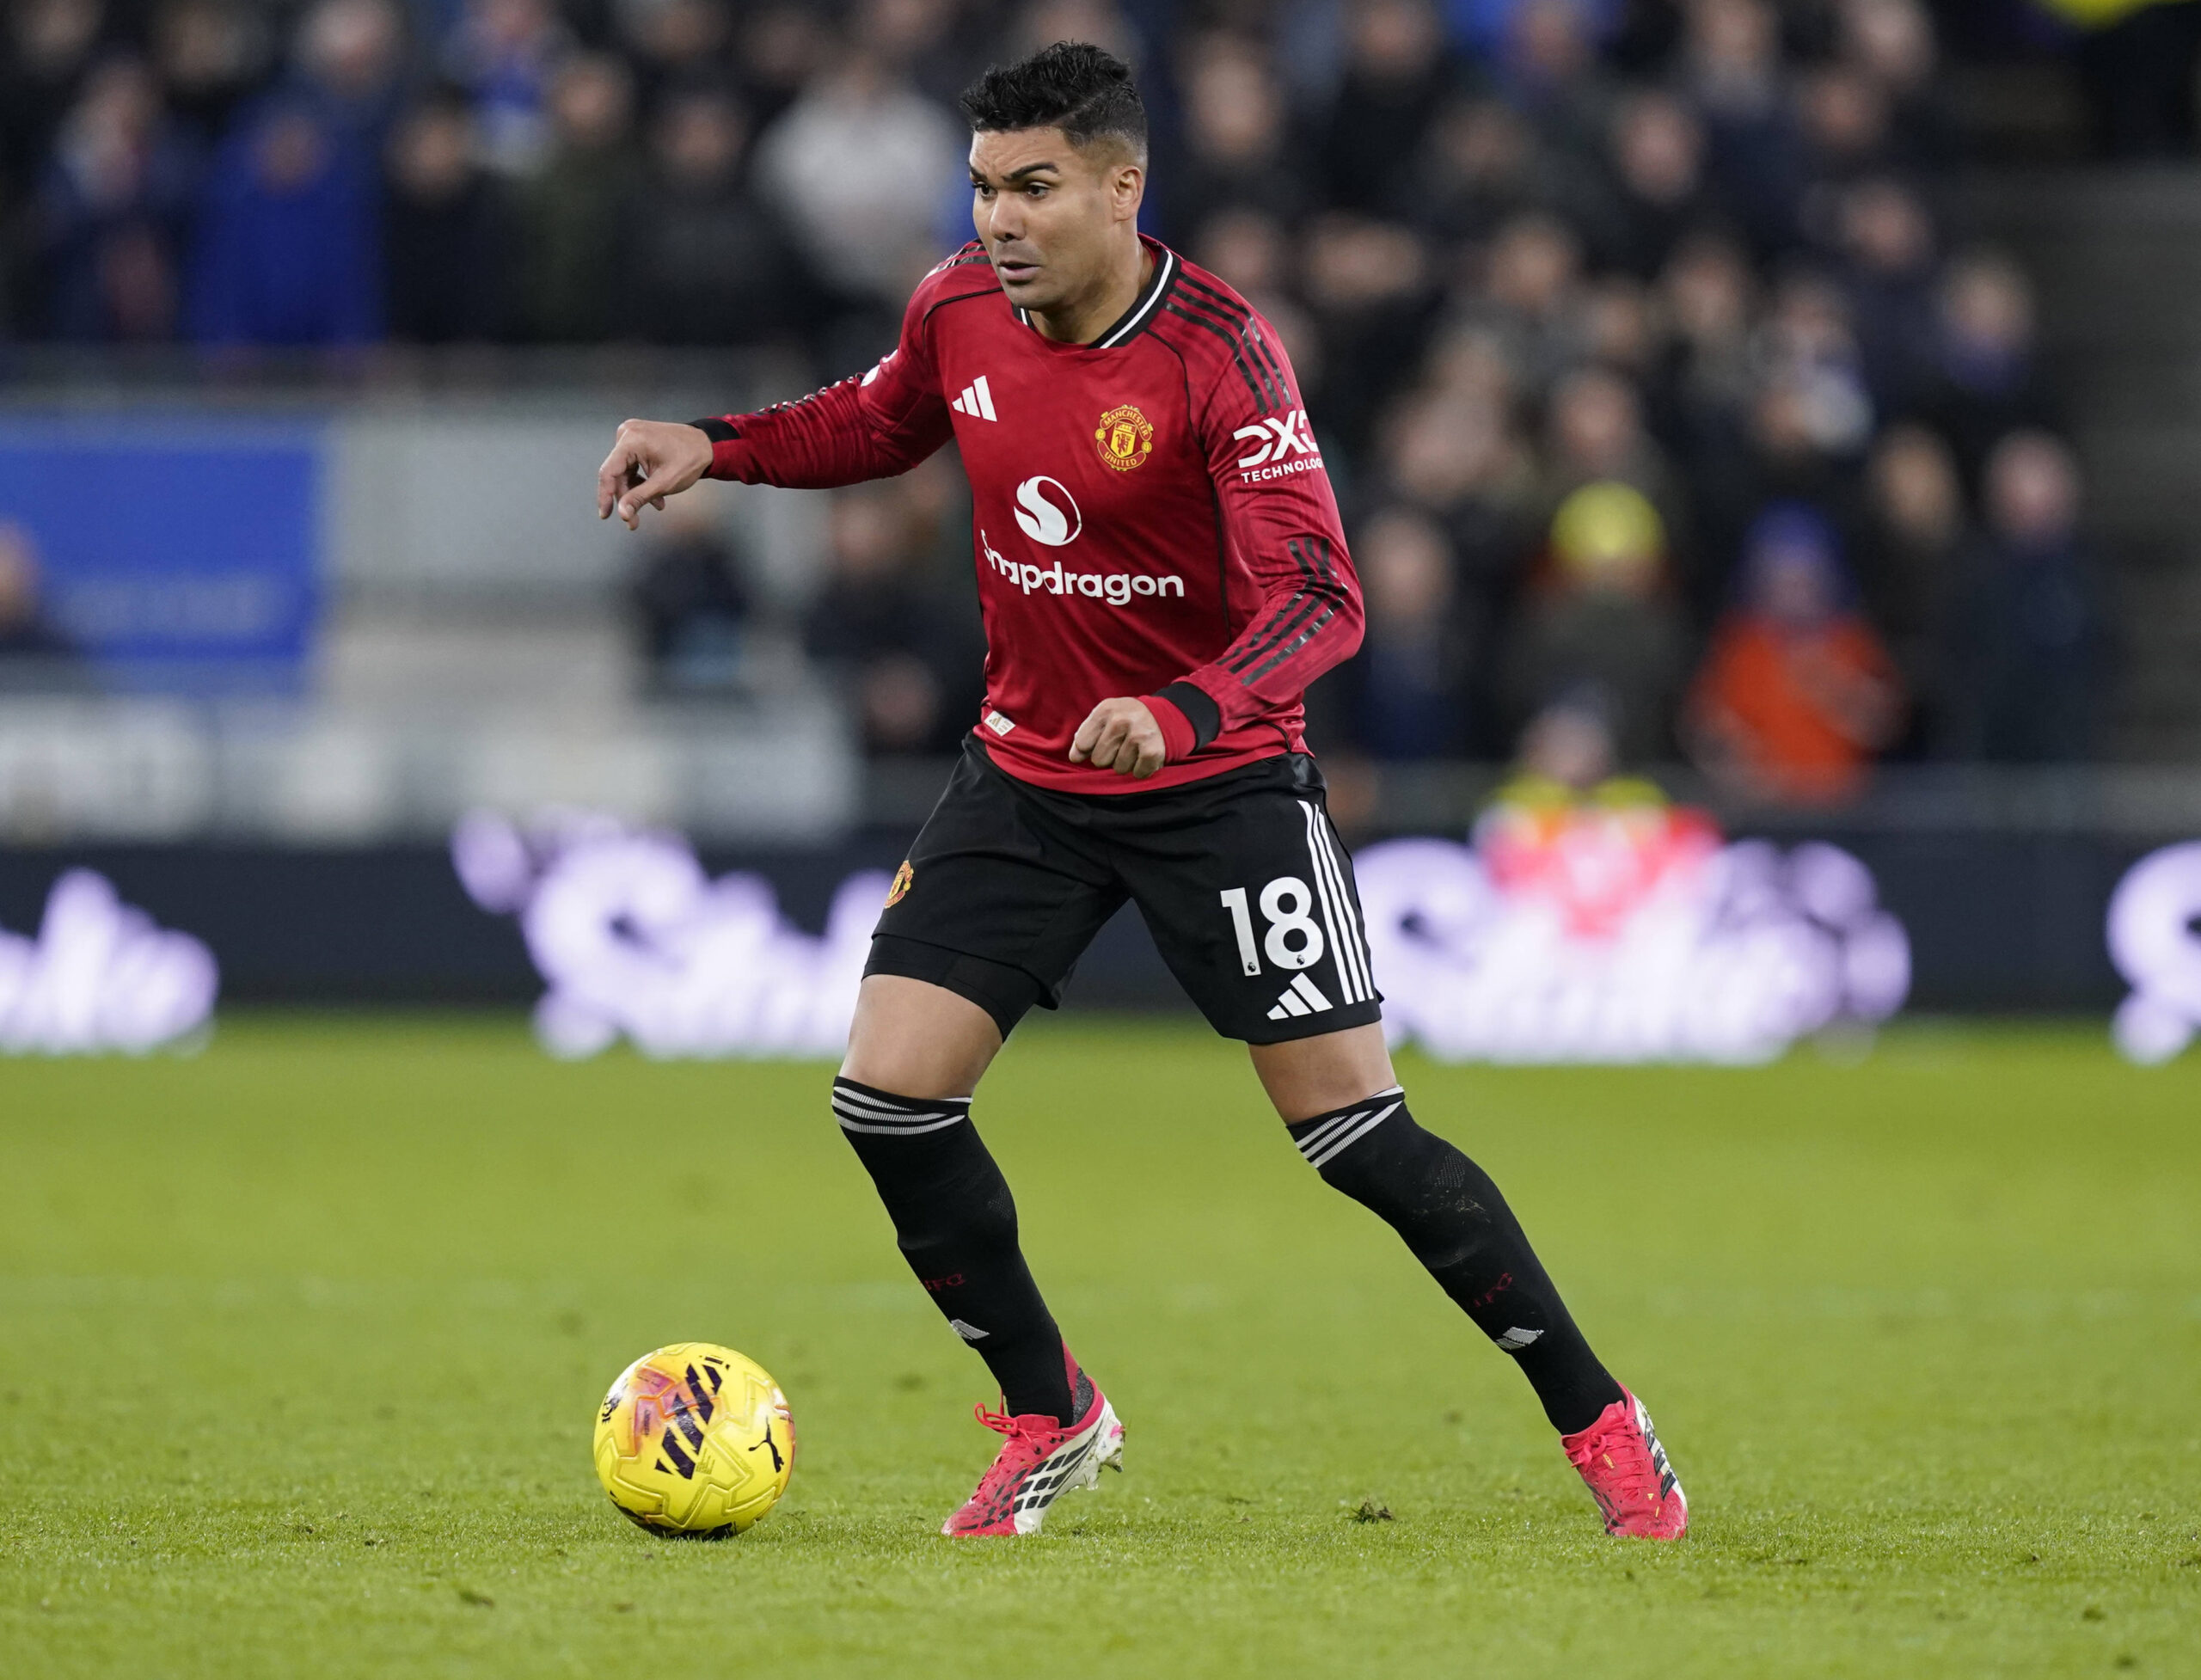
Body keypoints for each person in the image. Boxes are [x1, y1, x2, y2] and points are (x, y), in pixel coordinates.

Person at [595, 41, 1686, 1542]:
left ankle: (1605, 1421)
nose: (999, 220)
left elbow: (1323, 598)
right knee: (888, 1099)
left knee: (1359, 1135)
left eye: (1034, 188)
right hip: (1028, 771)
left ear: (1124, 187)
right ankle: (1052, 1411)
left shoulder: (1222, 356)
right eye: (982, 187)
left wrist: (1183, 711)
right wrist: (713, 445)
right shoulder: (957, 306)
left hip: (1219, 784)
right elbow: (879, 420)